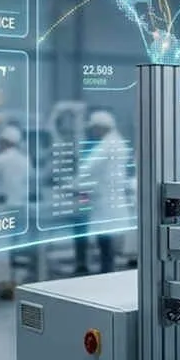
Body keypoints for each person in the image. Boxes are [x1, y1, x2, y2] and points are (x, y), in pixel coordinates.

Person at [75, 110, 132, 273]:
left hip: (105, 202)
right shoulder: (119, 142)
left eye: (94, 128)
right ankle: (107, 271)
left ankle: (106, 273)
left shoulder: (107, 145)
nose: (93, 132)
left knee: (105, 243)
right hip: (112, 199)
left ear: (101, 127)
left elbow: (88, 169)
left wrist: (72, 185)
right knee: (108, 244)